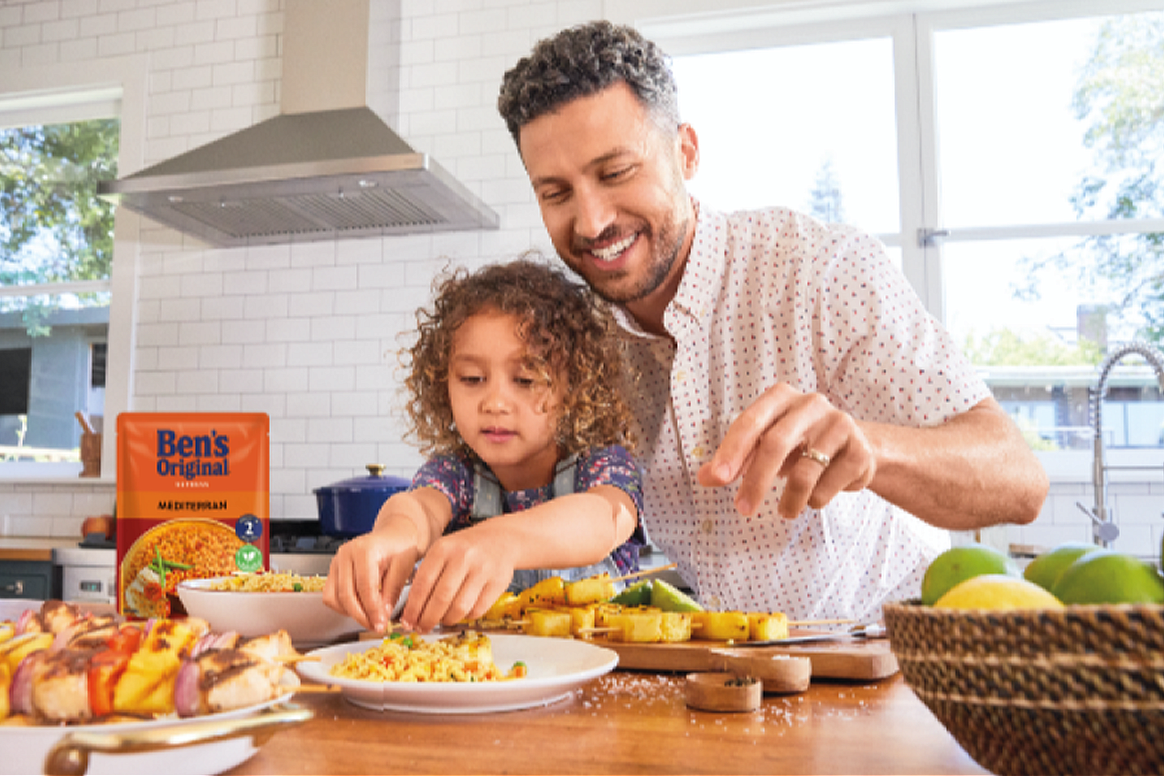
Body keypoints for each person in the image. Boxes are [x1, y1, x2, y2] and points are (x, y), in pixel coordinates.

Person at [497, 21, 1048, 622]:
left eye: (615, 173)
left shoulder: (821, 271)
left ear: (685, 152)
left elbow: (1018, 482)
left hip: (885, 665)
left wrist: (871, 450)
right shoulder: (575, 340)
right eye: (555, 193)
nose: (590, 221)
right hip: (719, 676)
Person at [323, 258, 644, 633]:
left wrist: (500, 540)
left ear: (574, 388)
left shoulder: (602, 464)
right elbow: (418, 509)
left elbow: (603, 519)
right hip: (486, 677)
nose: (494, 402)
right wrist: (393, 538)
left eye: (525, 379)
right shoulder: (455, 473)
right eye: (472, 378)